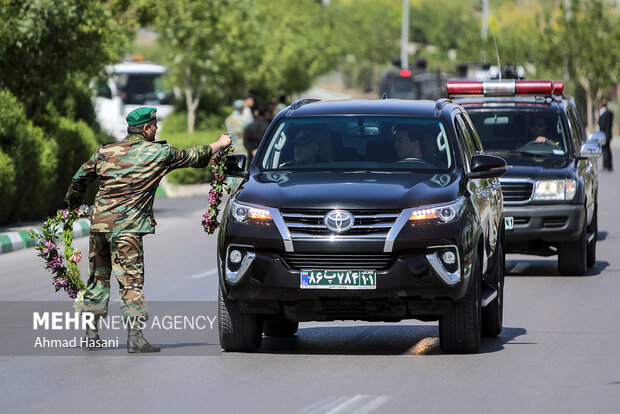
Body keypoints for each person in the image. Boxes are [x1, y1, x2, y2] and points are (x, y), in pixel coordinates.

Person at [64, 107, 231, 353]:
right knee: (130, 283)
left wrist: (72, 206)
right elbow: (195, 155)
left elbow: (79, 180)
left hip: (99, 227)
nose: (156, 130)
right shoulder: (158, 153)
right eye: (154, 126)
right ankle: (135, 338)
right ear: (145, 129)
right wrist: (220, 143)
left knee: (97, 279)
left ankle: (91, 334)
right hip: (127, 229)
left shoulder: (105, 151)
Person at [599, 99, 614, 171]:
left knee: (605, 150)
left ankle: (607, 165)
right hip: (608, 134)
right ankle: (608, 165)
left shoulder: (604, 113)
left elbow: (602, 125)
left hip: (604, 134)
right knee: (607, 149)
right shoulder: (609, 113)